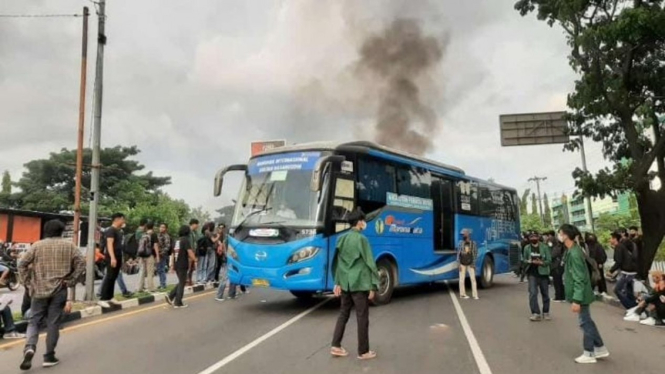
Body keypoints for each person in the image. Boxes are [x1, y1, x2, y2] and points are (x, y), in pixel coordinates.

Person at [18, 219, 85, 370]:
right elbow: (81, 262)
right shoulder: (69, 246)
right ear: (61, 231)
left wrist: (28, 283)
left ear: (46, 231)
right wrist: (71, 280)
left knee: (34, 321)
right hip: (59, 289)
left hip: (38, 290)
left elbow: (22, 264)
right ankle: (49, 356)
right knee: (53, 323)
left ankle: (29, 347)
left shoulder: (37, 246)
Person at [330, 209, 378, 360]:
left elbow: (337, 262)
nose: (365, 223)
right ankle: (363, 352)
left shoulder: (341, 239)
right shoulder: (362, 240)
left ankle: (336, 345)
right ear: (359, 223)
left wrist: (337, 282)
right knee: (362, 317)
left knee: (343, 314)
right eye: (363, 220)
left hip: (345, 283)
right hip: (359, 284)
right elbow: (370, 263)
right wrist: (373, 285)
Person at [559, 224, 609, 364]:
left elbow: (579, 278)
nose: (559, 236)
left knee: (584, 323)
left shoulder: (574, 253)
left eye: (561, 233)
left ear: (566, 236)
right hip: (582, 293)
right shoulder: (572, 250)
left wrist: (577, 299)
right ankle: (599, 347)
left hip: (581, 295)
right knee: (587, 321)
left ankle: (589, 352)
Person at [98, 213, 126, 308]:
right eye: (122, 219)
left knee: (113, 277)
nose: (123, 221)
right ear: (117, 219)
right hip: (111, 257)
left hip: (118, 256)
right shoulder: (110, 230)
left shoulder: (118, 231)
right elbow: (109, 245)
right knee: (109, 277)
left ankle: (110, 297)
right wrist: (112, 258)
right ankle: (102, 298)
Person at [523, 231, 552, 321]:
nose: (533, 238)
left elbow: (549, 260)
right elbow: (524, 259)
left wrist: (541, 263)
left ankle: (546, 312)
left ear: (538, 237)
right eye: (531, 237)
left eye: (535, 236)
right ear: (529, 238)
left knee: (545, 294)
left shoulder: (544, 247)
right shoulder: (527, 248)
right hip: (532, 274)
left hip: (543, 273)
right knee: (533, 293)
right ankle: (535, 313)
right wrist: (529, 261)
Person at [166, 225, 197, 308]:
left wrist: (172, 265)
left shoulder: (177, 241)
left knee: (181, 281)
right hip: (183, 263)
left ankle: (170, 296)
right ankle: (178, 302)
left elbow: (173, 254)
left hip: (177, 263)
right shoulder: (185, 240)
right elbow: (189, 251)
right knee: (182, 283)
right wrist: (195, 259)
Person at [608, 231, 638, 309]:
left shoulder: (619, 247)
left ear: (615, 239)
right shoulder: (621, 247)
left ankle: (630, 307)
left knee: (617, 290)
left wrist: (610, 271)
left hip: (627, 272)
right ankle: (635, 307)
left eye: (611, 238)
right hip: (631, 271)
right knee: (629, 292)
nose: (609, 240)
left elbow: (618, 261)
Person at [457, 229, 478, 300]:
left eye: (464, 234)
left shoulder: (473, 243)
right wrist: (459, 264)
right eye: (462, 235)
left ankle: (475, 295)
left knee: (473, 279)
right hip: (462, 264)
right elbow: (458, 254)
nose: (463, 236)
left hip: (470, 264)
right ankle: (462, 294)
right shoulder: (460, 243)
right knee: (461, 280)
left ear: (468, 234)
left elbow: (475, 254)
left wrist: (474, 264)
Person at [137, 222, 158, 293]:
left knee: (142, 271)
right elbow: (155, 246)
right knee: (150, 271)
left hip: (142, 255)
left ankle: (140, 288)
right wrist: (157, 256)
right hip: (150, 255)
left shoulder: (144, 234)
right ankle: (151, 288)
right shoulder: (153, 234)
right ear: (153, 227)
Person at [548, 230, 566, 302]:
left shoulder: (557, 247)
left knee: (557, 282)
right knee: (559, 282)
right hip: (559, 265)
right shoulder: (560, 246)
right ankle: (562, 296)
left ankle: (558, 297)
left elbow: (552, 255)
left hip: (557, 266)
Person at [156, 223, 172, 290]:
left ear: (166, 229)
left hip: (163, 255)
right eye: (160, 227)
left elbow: (167, 246)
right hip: (158, 254)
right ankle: (161, 283)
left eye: (163, 227)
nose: (161, 228)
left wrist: (161, 253)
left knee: (162, 269)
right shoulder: (158, 235)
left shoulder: (166, 236)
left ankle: (163, 284)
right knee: (159, 270)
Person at [188, 219, 200, 286]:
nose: (198, 226)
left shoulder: (194, 232)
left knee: (192, 267)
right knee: (188, 267)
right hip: (189, 251)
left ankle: (190, 280)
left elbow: (198, 239)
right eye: (197, 224)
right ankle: (186, 280)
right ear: (193, 224)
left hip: (194, 251)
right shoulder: (188, 231)